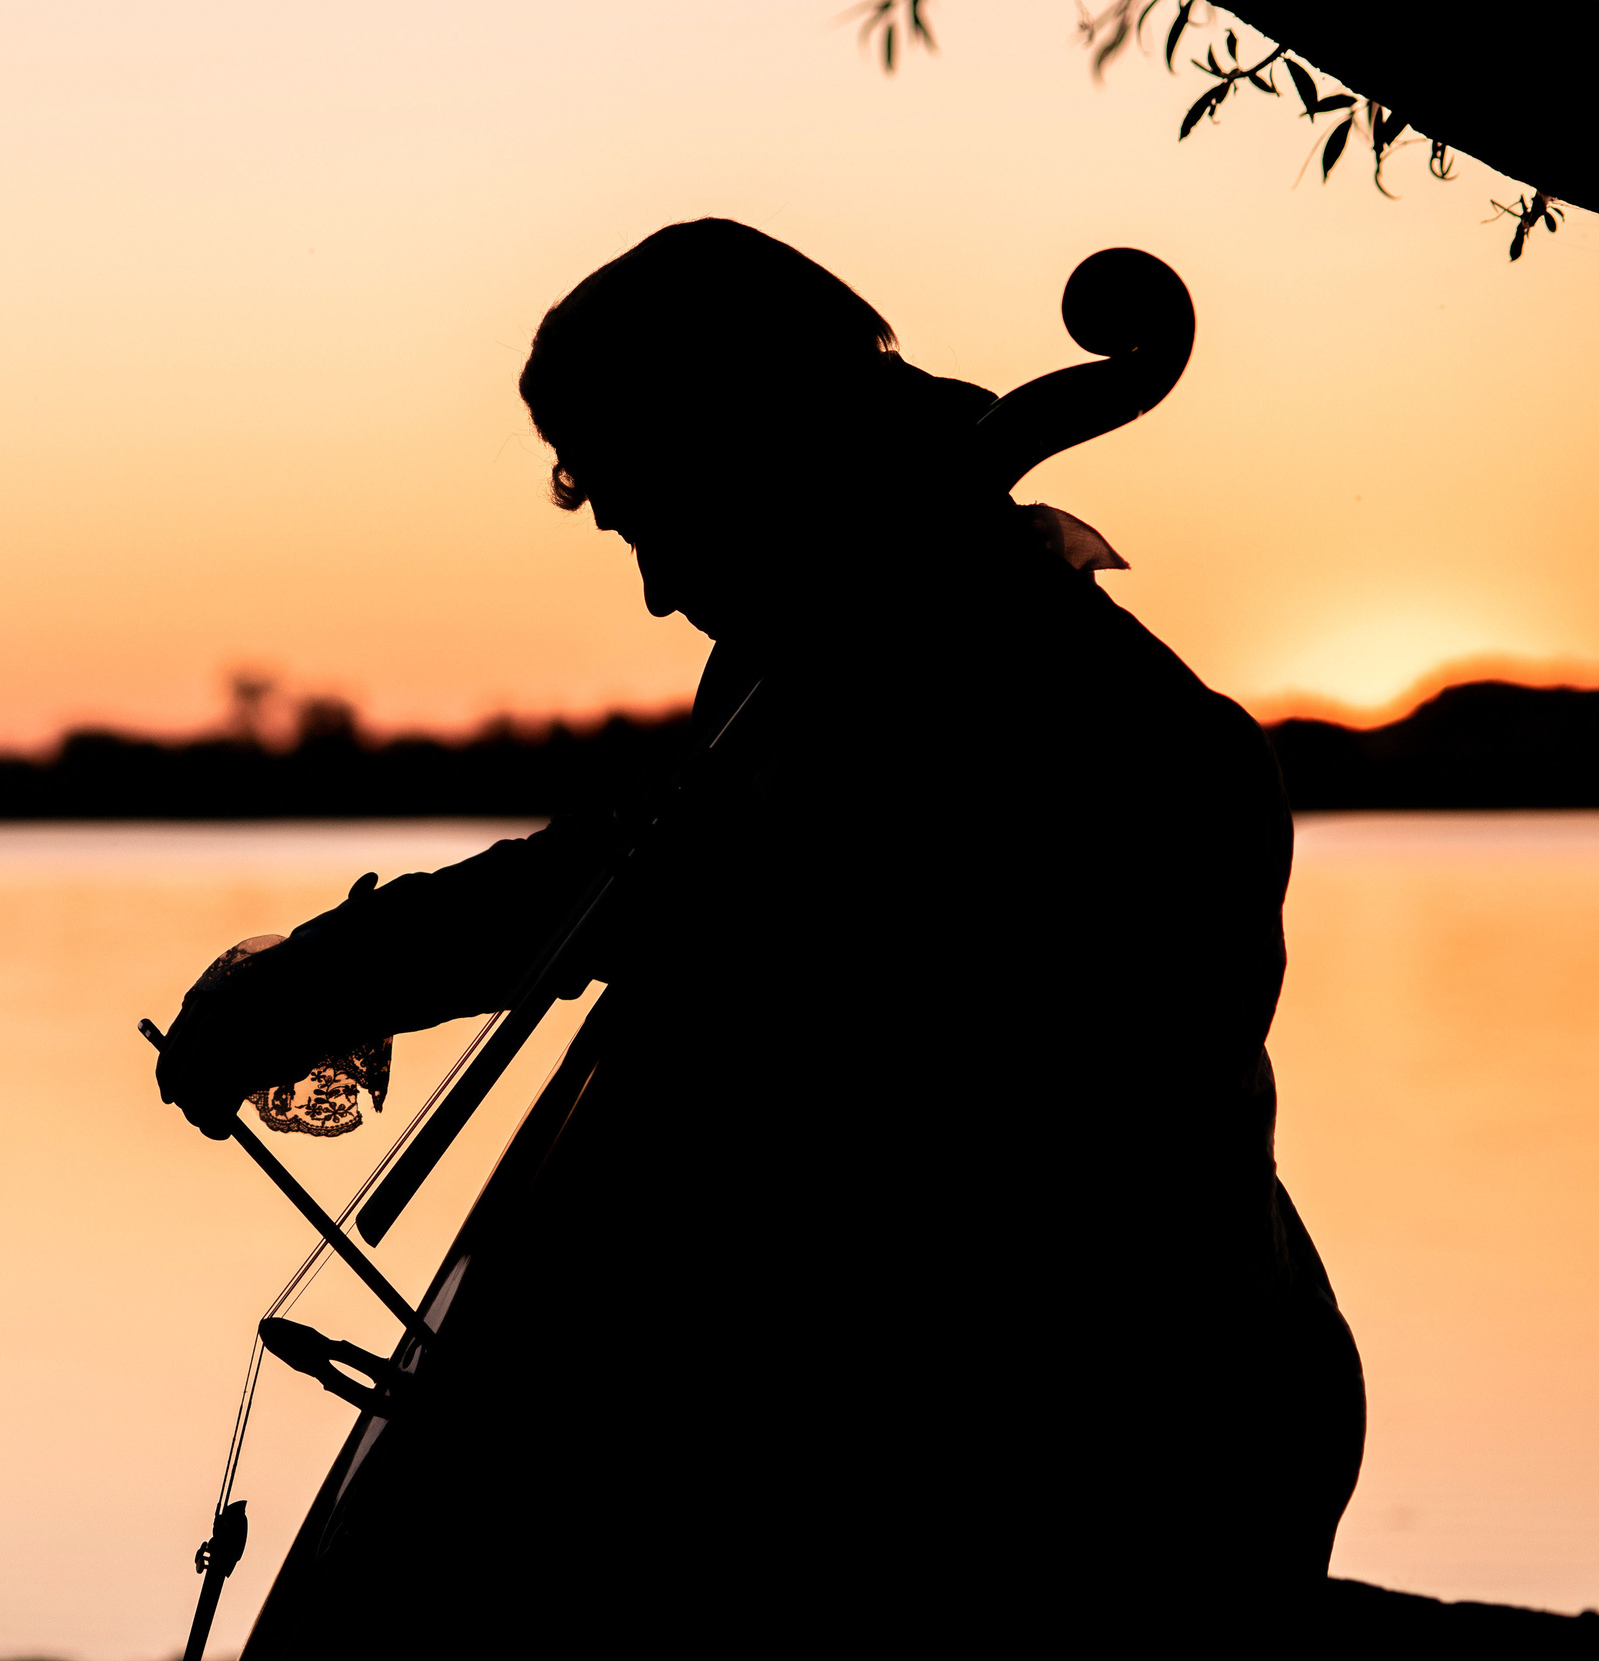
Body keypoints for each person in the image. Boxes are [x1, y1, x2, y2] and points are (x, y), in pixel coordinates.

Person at [153, 218, 1364, 1650]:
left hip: (1107, 1460)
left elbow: (684, 913)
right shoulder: (831, 699)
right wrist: (311, 982)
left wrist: (312, 985)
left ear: (745, 447)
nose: (662, 588)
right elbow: (636, 870)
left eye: (649, 513)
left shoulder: (1109, 744)